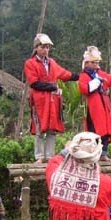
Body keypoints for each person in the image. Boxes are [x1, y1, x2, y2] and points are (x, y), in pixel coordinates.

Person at [24, 33, 80, 163]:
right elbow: (34, 83)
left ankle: (49, 157)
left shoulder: (52, 63)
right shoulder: (30, 63)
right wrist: (52, 86)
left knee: (51, 129)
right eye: (43, 47)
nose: (46, 50)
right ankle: (39, 157)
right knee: (39, 129)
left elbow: (64, 74)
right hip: (39, 101)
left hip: (53, 100)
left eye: (48, 47)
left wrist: (79, 76)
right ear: (36, 47)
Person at [78, 46, 111, 161]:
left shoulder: (100, 73)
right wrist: (97, 82)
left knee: (105, 130)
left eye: (97, 63)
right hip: (93, 109)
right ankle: (94, 155)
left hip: (104, 108)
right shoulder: (83, 76)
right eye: (94, 63)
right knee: (93, 132)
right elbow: (85, 89)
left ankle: (104, 154)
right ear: (87, 63)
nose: (96, 65)